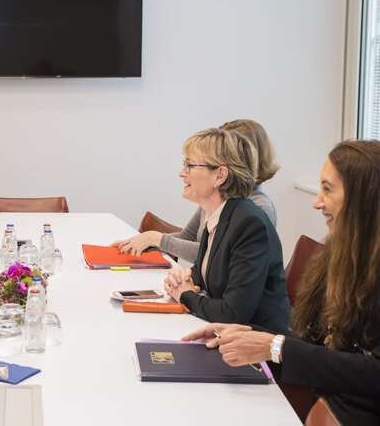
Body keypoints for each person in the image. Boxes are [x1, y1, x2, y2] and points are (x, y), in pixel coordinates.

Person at [183, 140, 380, 425]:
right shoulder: (343, 254)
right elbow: (320, 343)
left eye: (327, 189)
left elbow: (371, 371)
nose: (316, 201)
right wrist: (247, 333)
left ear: (364, 196)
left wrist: (275, 346)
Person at [161, 128, 290, 331]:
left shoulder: (249, 223)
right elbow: (201, 273)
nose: (181, 173)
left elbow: (233, 314)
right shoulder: (219, 215)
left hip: (259, 350)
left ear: (219, 176)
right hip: (229, 338)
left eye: (189, 165)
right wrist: (180, 282)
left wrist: (186, 295)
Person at [113, 119, 279, 262]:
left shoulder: (258, 209)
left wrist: (157, 239)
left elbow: (217, 257)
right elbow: (188, 238)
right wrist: (141, 243)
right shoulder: (217, 197)